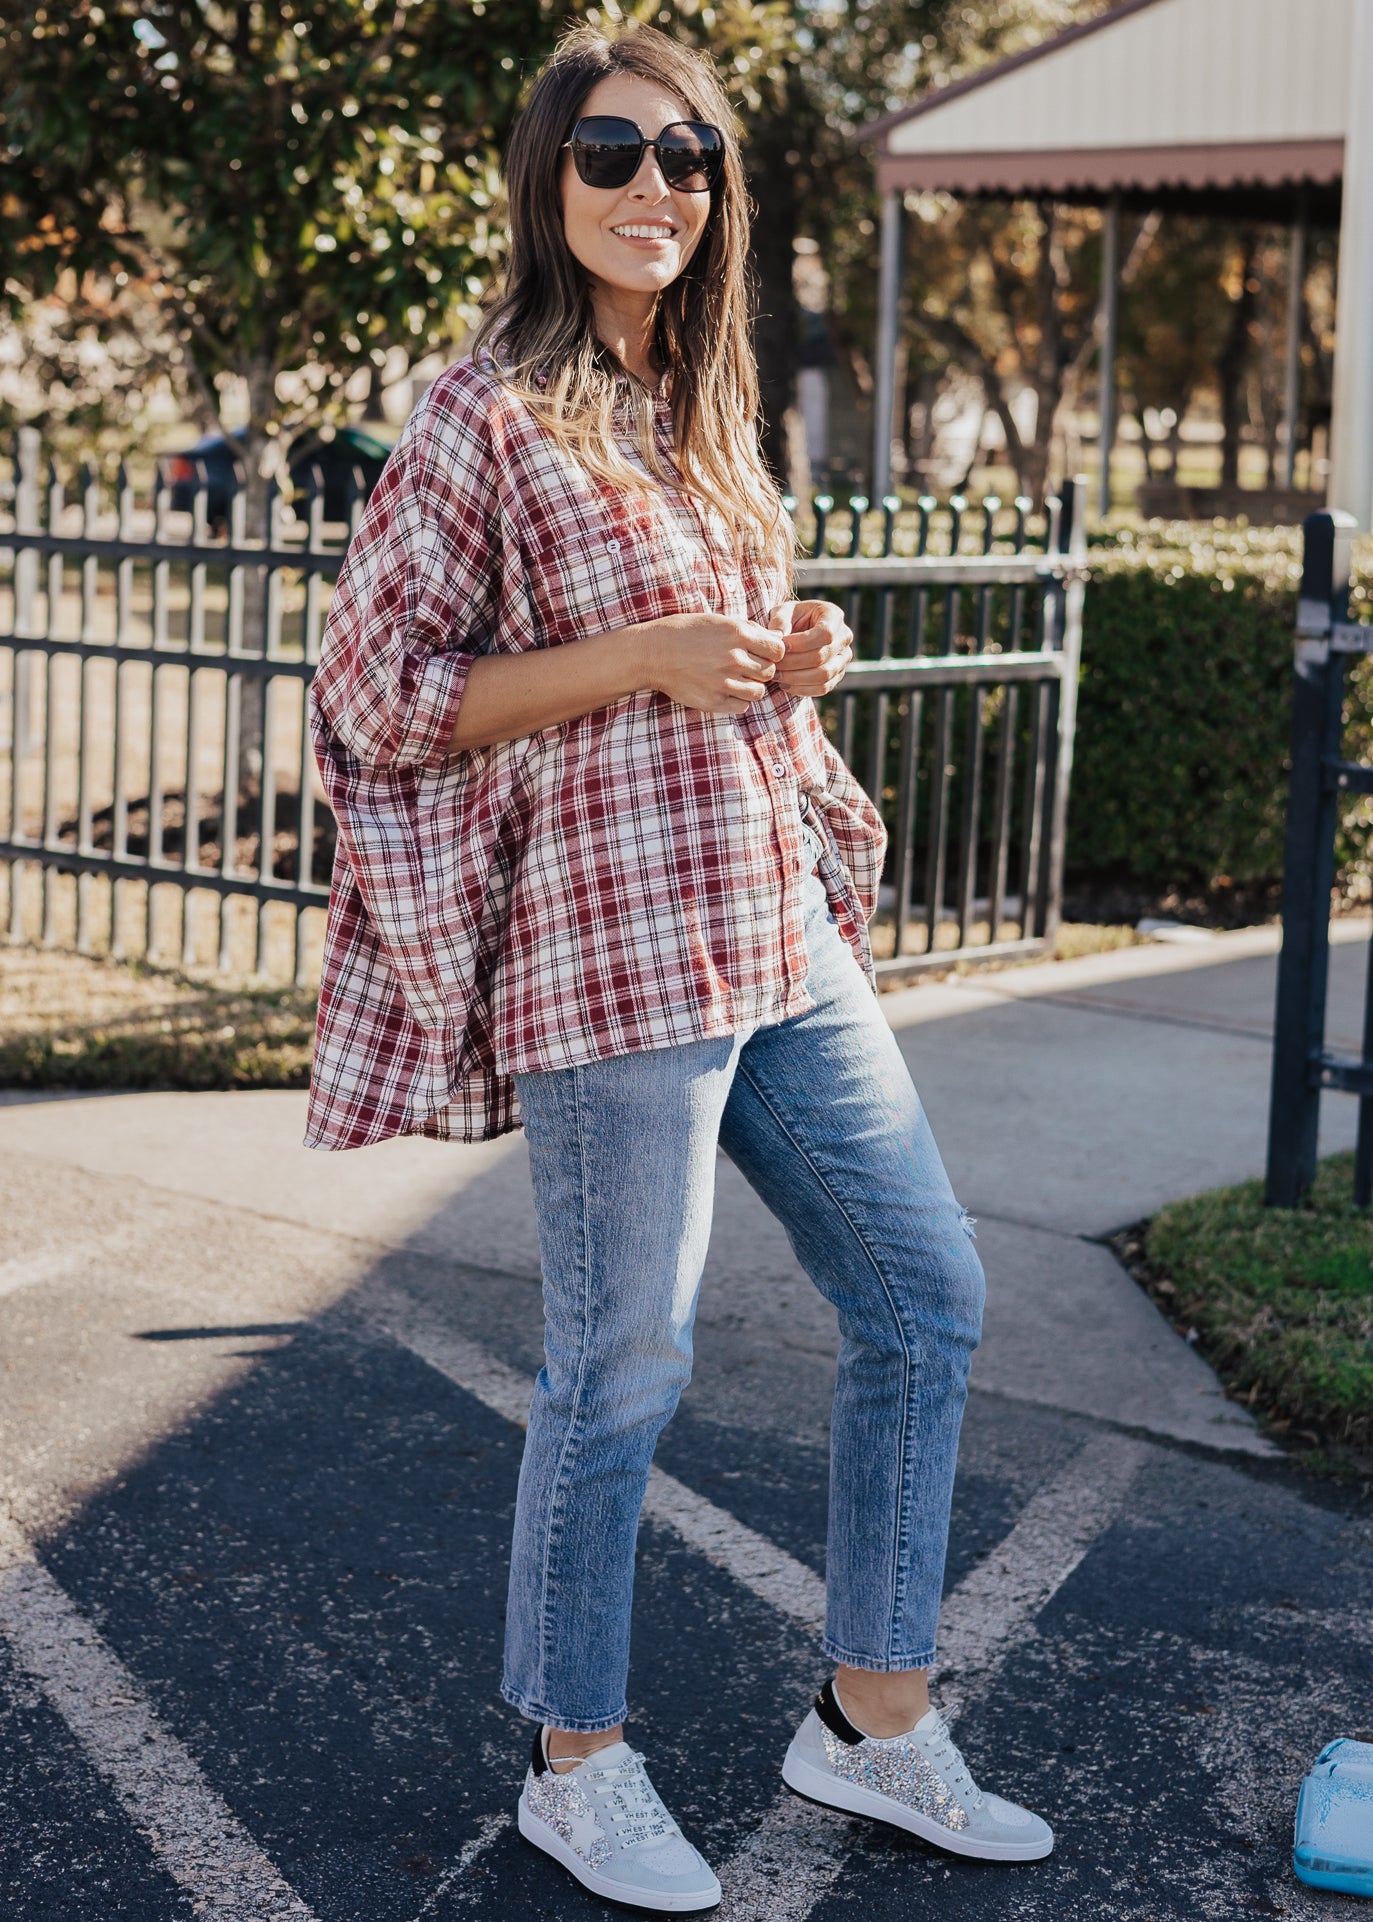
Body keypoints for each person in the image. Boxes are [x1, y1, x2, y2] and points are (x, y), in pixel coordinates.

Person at [304, 21, 1053, 1914]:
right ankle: (576, 1758)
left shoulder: (705, 409)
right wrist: (637, 654)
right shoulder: (481, 411)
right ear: (550, 183)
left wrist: (779, 654)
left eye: (692, 157)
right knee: (619, 1367)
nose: (660, 188)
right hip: (614, 949)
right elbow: (379, 699)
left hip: (770, 922)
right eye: (615, 154)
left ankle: (873, 1721)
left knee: (926, 1294)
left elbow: (704, 655)